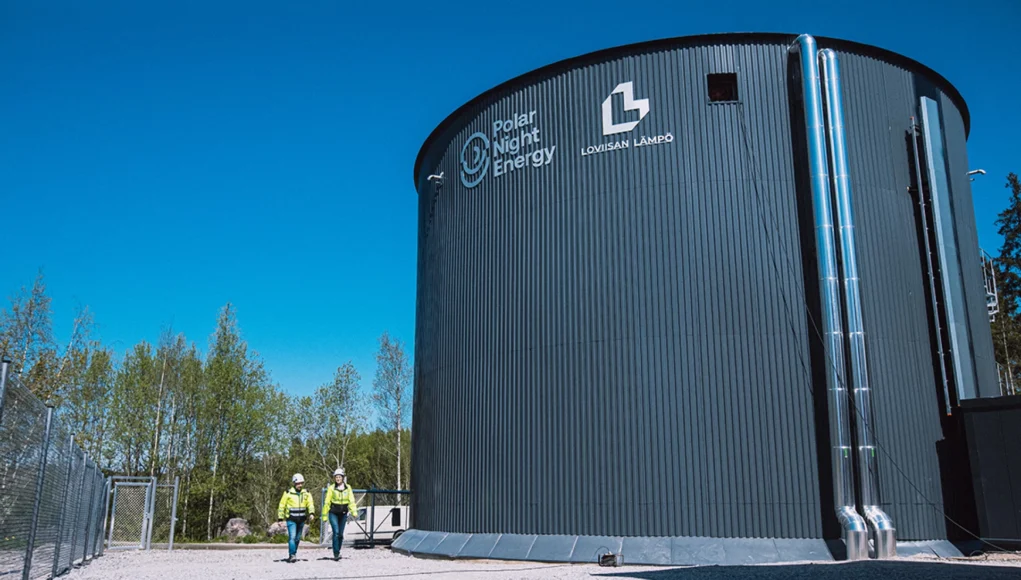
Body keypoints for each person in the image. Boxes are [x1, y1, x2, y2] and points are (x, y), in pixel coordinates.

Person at [321, 467, 359, 560]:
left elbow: (351, 501)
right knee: (336, 532)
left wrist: (354, 512)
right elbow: (327, 502)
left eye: (339, 477)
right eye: (336, 477)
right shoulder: (331, 488)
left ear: (343, 478)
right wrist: (324, 515)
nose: (338, 479)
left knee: (341, 534)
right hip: (333, 512)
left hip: (343, 513)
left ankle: (338, 550)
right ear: (334, 478)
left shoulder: (348, 488)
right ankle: (336, 553)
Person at [277, 473, 315, 563]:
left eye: (301, 483)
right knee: (292, 537)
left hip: (301, 519)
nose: (300, 485)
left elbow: (310, 503)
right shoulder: (288, 493)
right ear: (294, 483)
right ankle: (292, 555)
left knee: (298, 538)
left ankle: (294, 552)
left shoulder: (306, 493)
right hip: (291, 519)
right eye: (298, 483)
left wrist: (311, 513)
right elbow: (282, 505)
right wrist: (280, 518)